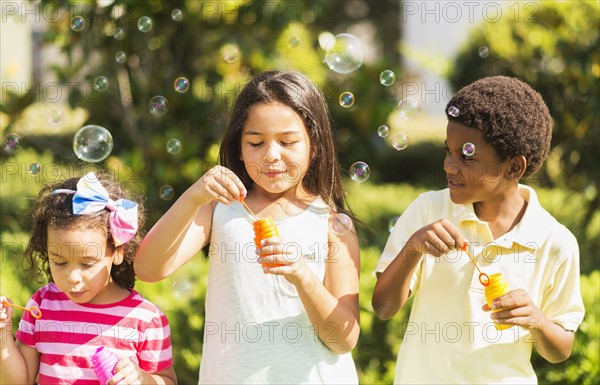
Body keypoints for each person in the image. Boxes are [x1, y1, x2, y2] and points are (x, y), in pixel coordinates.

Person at [134, 70, 360, 384]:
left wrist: (304, 277)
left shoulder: (332, 224)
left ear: (314, 144)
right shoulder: (221, 208)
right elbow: (148, 268)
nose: (271, 155)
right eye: (255, 142)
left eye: (288, 142)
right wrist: (193, 197)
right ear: (239, 146)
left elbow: (344, 339)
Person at [372, 76, 585, 384]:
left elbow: (561, 348)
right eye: (449, 151)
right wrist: (413, 248)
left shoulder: (554, 241)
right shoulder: (428, 210)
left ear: (514, 168)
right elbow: (383, 307)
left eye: (466, 156)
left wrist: (537, 321)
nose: (449, 165)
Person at [0, 171, 176, 385]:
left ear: (118, 251)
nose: (73, 277)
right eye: (60, 262)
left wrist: (143, 379)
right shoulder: (42, 306)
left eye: (87, 263)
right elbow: (18, 381)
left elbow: (167, 380)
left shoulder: (146, 319)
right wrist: (3, 334)